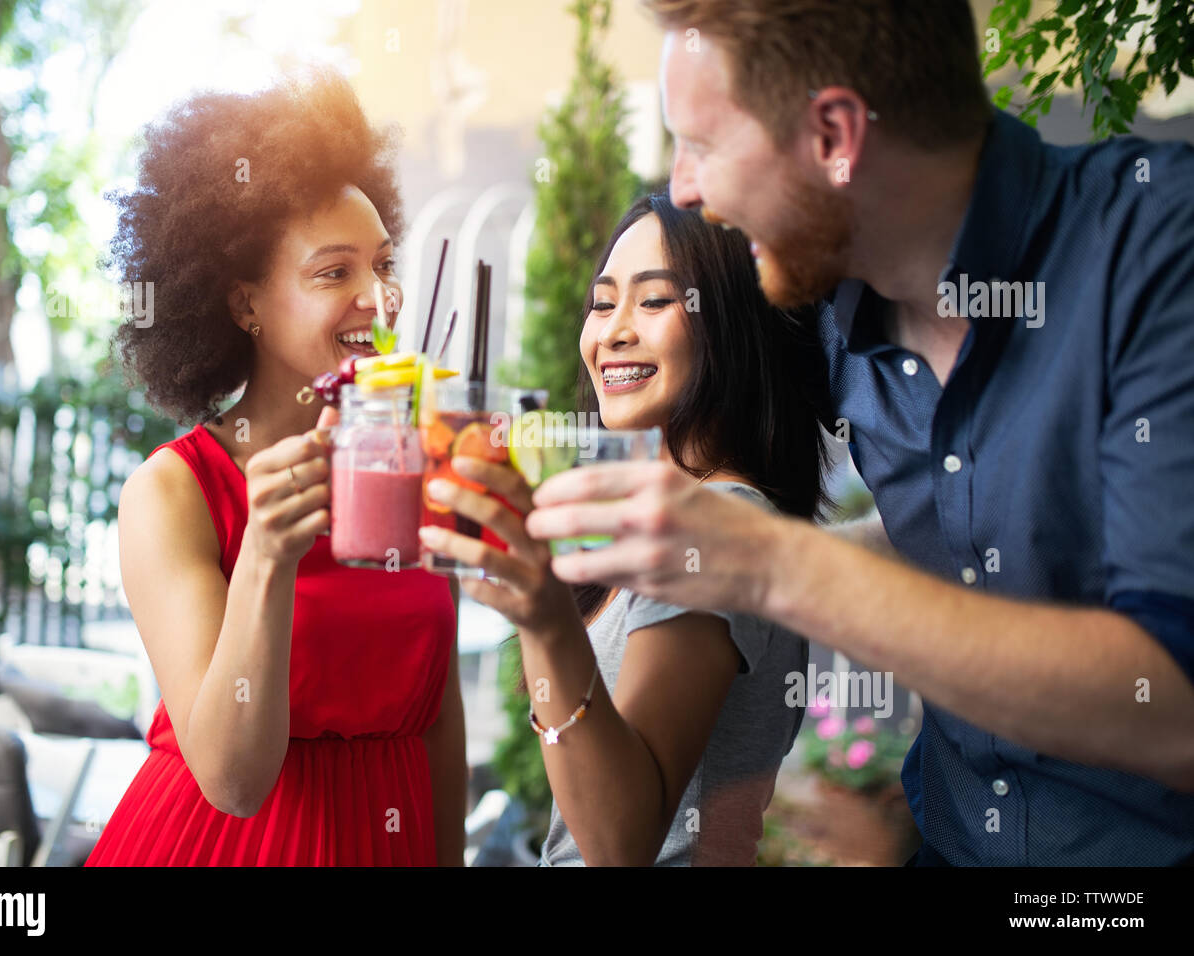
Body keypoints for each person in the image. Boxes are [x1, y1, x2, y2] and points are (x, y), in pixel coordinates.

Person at [526, 0, 1194, 866]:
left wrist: (767, 562)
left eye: (703, 144)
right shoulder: (830, 310)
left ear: (836, 136)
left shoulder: (1156, 255)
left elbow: (1172, 702)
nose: (684, 188)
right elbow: (983, 534)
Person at [84, 69, 465, 866]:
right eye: (335, 273)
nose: (381, 298)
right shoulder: (173, 493)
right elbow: (232, 780)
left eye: (383, 264)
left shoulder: (417, 461)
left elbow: (437, 717)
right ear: (244, 304)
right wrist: (265, 555)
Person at [418, 191, 830, 865]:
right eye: (603, 303)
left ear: (729, 321)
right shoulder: (656, 521)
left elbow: (619, 845)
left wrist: (544, 617)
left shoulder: (713, 527)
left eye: (656, 301)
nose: (612, 331)